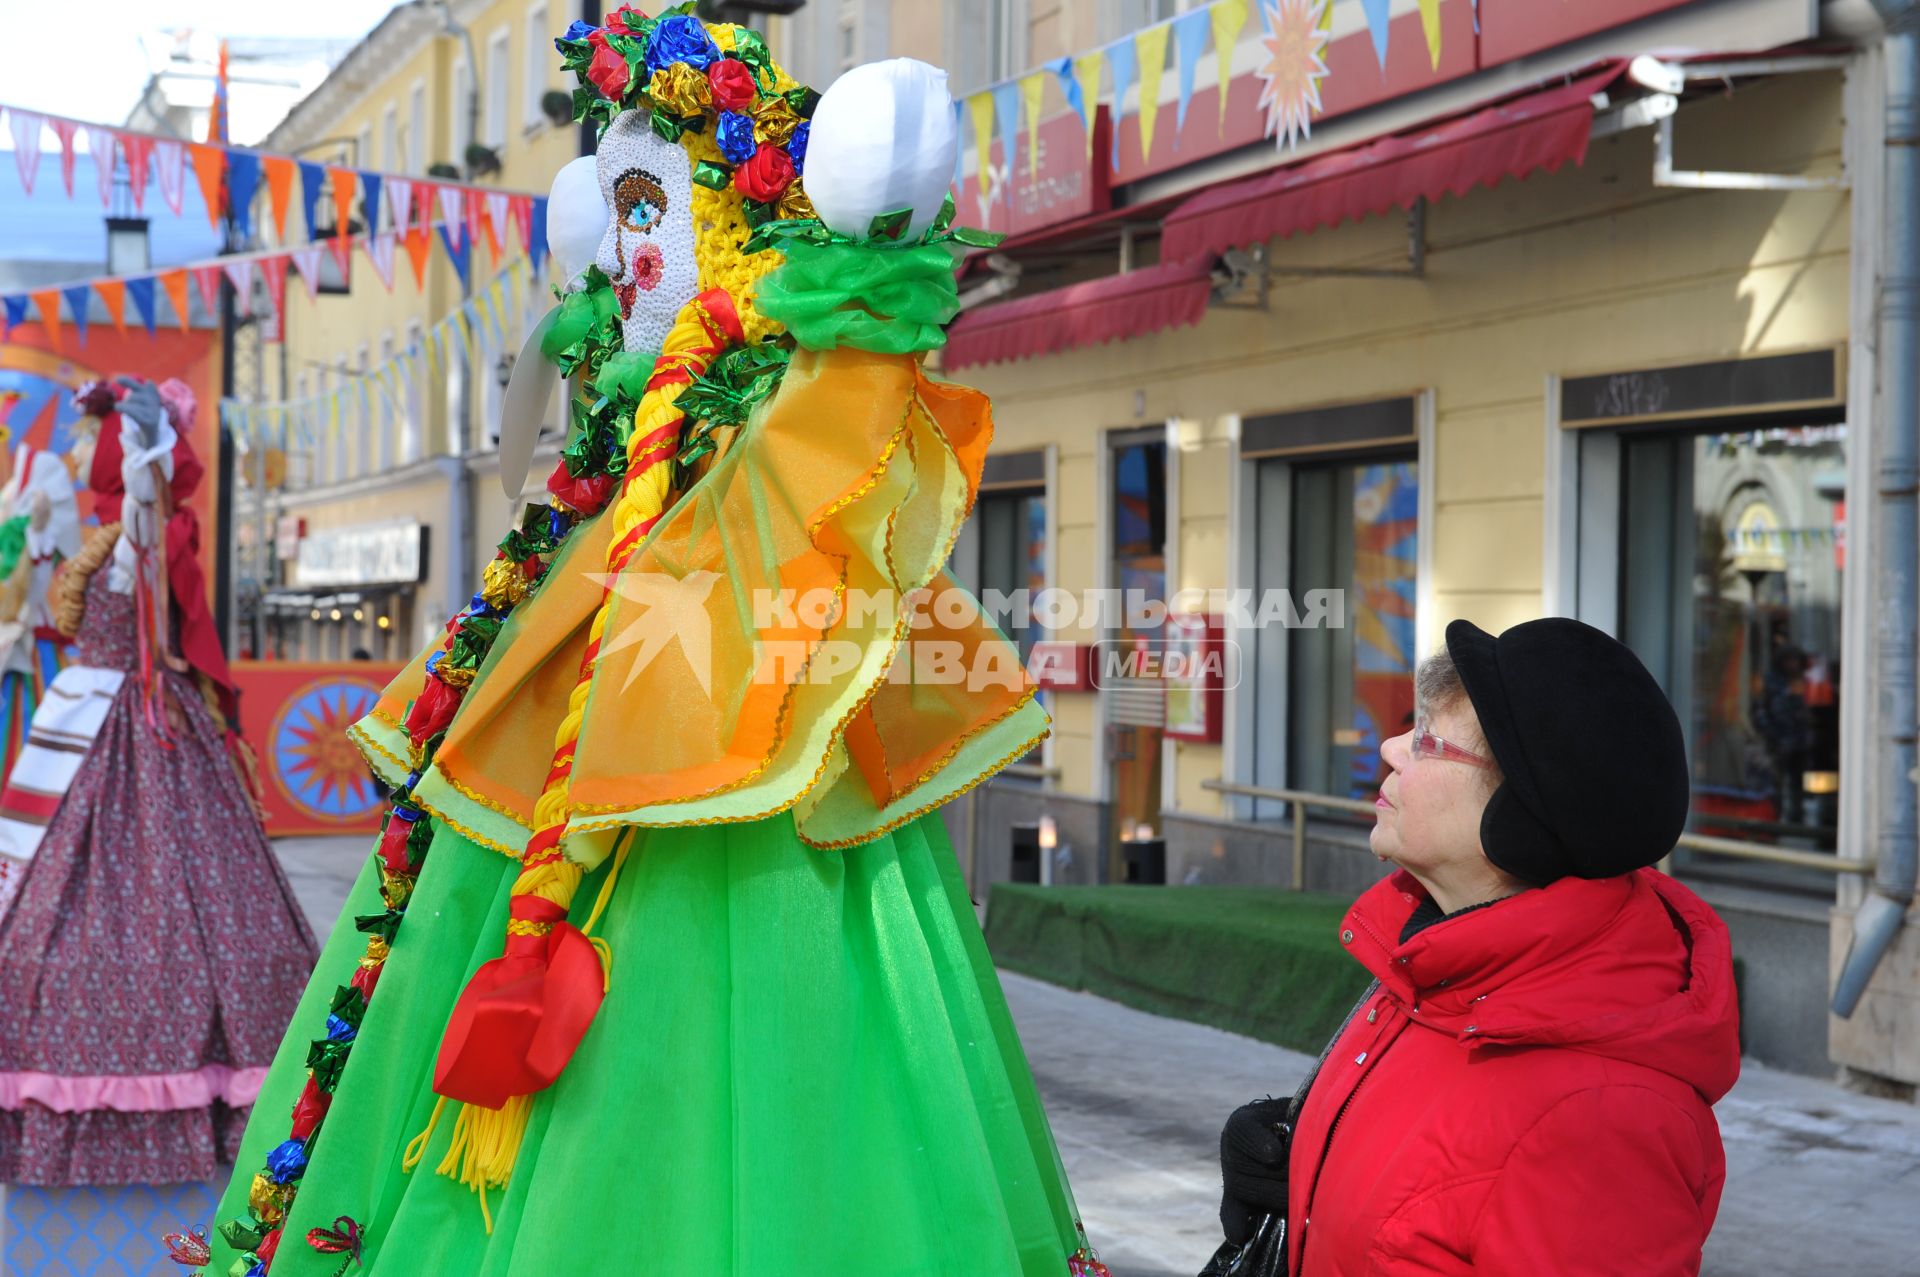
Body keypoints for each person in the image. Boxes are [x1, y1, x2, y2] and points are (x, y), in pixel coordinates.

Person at [197, 18, 1100, 1277]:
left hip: (744, 656)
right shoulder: (613, 450)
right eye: (616, 222)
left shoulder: (787, 447)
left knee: (746, 980)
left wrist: (863, 226)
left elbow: (850, 372)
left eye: (648, 216)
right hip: (608, 586)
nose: (623, 258)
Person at [1214, 617, 1740, 1276]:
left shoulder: (1598, 1121)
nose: (1389, 746)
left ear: (1518, 818)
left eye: (1426, 740)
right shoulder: (1438, 967)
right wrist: (1305, 1166)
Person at [0, 377, 315, 1185]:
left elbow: (147, 524)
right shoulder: (105, 531)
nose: (74, 452)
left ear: (122, 448)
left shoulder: (148, 529)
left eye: (88, 438)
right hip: (86, 719)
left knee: (171, 903)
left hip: (138, 717)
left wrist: (149, 461)